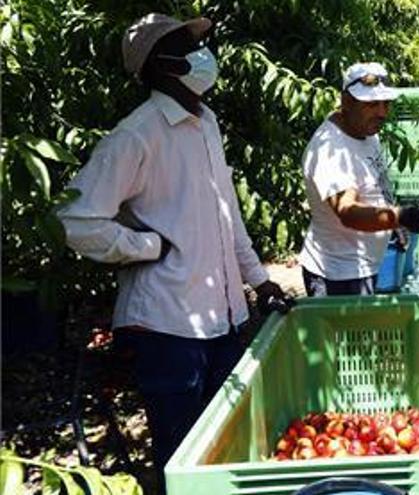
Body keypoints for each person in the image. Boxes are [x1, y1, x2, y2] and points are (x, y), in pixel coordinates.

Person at [57, 13, 293, 492]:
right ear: (162, 64)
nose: (202, 54)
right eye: (188, 45)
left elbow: (227, 213)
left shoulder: (205, 124)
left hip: (221, 318)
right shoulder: (136, 135)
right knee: (181, 455)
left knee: (226, 446)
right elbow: (76, 220)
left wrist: (257, 278)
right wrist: (145, 245)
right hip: (168, 325)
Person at [298, 62, 419, 297]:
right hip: (338, 275)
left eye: (386, 103)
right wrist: (400, 216)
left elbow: (372, 187)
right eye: (372, 104)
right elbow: (348, 212)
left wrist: (395, 225)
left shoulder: (365, 131)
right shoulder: (330, 150)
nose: (382, 113)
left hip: (364, 266)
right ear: (347, 101)